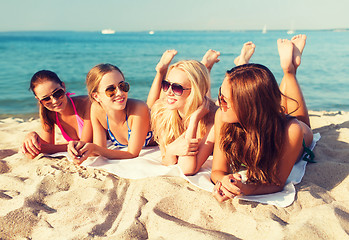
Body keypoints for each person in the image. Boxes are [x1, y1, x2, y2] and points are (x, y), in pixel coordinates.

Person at [211, 35, 313, 202]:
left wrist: (245, 189)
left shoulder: (291, 130)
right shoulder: (222, 117)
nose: (218, 102)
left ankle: (289, 70)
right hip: (265, 118)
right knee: (276, 104)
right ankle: (289, 67)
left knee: (300, 120)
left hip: (300, 134)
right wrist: (224, 181)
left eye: (223, 100)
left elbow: (277, 183)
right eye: (219, 95)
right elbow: (217, 171)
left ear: (247, 106)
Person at [147, 49, 220, 175]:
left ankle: (207, 67)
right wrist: (170, 150)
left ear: (194, 91)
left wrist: (194, 121)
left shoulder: (213, 120)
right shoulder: (162, 111)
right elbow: (167, 160)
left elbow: (187, 169)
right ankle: (205, 67)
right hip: (196, 100)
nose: (168, 92)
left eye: (176, 87)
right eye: (166, 84)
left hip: (206, 107)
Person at [67, 63, 153, 164]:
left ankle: (161, 71)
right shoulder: (96, 109)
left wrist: (94, 148)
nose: (120, 93)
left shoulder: (138, 108)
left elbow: (132, 153)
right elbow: (99, 149)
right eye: (111, 90)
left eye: (122, 86)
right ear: (96, 96)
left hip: (170, 133)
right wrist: (78, 148)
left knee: (153, 104)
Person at [20, 70, 92, 159]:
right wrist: (31, 136)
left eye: (58, 93)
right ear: (39, 100)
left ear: (64, 86)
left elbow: (84, 145)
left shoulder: (86, 104)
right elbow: (48, 146)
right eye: (46, 99)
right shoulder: (48, 113)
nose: (54, 101)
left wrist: (40, 148)